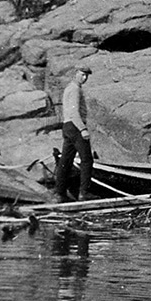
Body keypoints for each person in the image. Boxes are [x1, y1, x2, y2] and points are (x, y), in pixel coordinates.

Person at [55, 64, 95, 203]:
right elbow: (74, 112)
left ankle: (59, 194)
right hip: (75, 126)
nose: (84, 78)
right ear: (75, 74)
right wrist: (82, 129)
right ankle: (84, 193)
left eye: (86, 75)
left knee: (65, 160)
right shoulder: (75, 89)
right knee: (87, 159)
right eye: (82, 74)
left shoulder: (69, 88)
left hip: (67, 126)